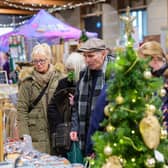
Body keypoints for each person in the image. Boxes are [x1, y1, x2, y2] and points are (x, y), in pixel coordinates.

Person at [86, 40, 168, 156]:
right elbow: (99, 115)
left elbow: (97, 116)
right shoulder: (121, 82)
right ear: (153, 59)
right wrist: (92, 149)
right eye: (161, 61)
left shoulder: (159, 85)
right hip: (123, 149)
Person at [69, 38, 114, 156]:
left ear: (104, 54)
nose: (87, 60)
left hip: (107, 135)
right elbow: (76, 103)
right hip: (85, 133)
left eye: (91, 56)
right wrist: (74, 127)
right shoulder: (83, 74)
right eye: (85, 56)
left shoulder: (113, 74)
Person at [16, 43, 64, 154]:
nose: (38, 64)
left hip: (56, 132)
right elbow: (22, 110)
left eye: (42, 60)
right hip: (35, 134)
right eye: (35, 61)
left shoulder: (59, 78)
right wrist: (25, 135)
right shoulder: (27, 82)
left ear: (49, 59)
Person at [47, 52, 86, 156]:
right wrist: (60, 127)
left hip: (82, 132)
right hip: (65, 135)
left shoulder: (86, 83)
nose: (69, 73)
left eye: (72, 70)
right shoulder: (63, 83)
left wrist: (76, 104)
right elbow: (52, 107)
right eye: (67, 70)